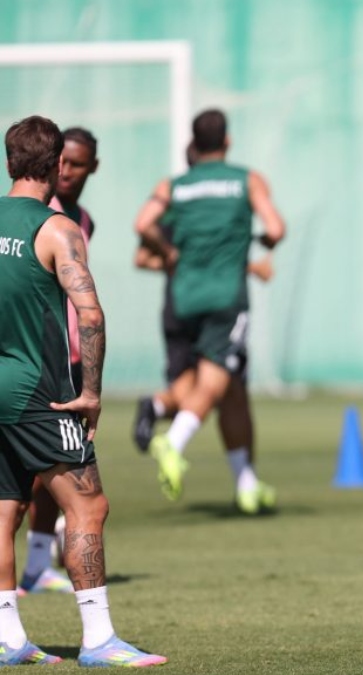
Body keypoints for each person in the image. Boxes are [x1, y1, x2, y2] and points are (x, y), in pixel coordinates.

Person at [0, 114, 166, 666]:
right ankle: (98, 639)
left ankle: (7, 637)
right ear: (53, 165)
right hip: (39, 390)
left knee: (3, 509)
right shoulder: (58, 228)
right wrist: (90, 393)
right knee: (88, 504)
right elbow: (89, 314)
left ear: (9, 162)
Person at [134, 109, 286, 514]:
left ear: (194, 142)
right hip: (225, 299)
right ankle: (173, 441)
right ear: (228, 141)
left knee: (232, 387)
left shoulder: (173, 186)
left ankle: (247, 485)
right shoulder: (246, 180)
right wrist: (264, 243)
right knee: (215, 381)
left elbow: (143, 223)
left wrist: (169, 251)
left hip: (184, 298)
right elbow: (276, 228)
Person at [18, 126, 102, 595]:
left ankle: (36, 565)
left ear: (93, 167)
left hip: (69, 359)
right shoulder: (36, 216)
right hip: (36, 361)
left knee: (55, 471)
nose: (67, 171)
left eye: (78, 163)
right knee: (48, 477)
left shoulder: (82, 219)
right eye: (62, 161)